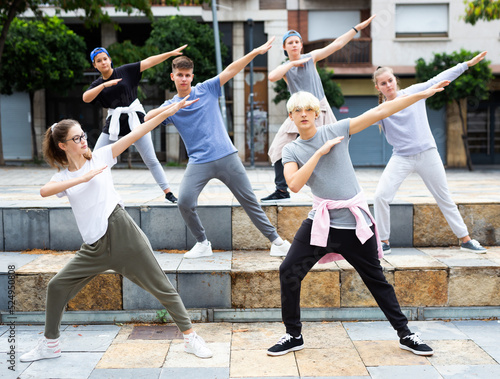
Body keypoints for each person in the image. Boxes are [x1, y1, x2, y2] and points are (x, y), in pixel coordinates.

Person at [20, 97, 214, 363]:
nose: (83, 140)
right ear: (63, 145)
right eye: (76, 139)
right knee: (56, 287)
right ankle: (50, 344)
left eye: (83, 135)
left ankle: (191, 338)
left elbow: (139, 131)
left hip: (123, 234)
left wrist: (172, 109)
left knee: (162, 287)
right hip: (93, 248)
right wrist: (83, 177)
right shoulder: (64, 178)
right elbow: (44, 191)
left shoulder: (101, 156)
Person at [267, 86, 451, 357]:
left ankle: (406, 334)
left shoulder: (337, 130)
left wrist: (420, 95)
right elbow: (294, 184)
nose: (303, 114)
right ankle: (293, 335)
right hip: (321, 223)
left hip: (354, 224)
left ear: (317, 114)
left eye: (308, 109)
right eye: (297, 110)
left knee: (376, 279)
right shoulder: (291, 150)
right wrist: (319, 153)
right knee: (289, 271)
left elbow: (380, 111)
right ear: (291, 117)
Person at [145, 37, 291, 259]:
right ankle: (203, 243)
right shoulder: (170, 107)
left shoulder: (207, 89)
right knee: (184, 202)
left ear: (192, 76)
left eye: (187, 75)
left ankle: (277, 242)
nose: (184, 79)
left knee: (249, 200)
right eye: (180, 75)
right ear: (172, 77)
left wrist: (254, 52)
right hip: (198, 162)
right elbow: (147, 118)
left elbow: (232, 69)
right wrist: (174, 107)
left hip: (226, 156)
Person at [372, 51, 488, 254]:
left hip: (428, 154)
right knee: (381, 196)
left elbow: (439, 79)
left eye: (390, 80)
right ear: (378, 87)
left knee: (444, 197)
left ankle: (466, 239)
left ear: (395, 80)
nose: (388, 85)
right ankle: (383, 241)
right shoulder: (381, 110)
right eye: (383, 83)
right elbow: (356, 124)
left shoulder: (414, 92)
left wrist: (466, 64)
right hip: (401, 157)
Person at [261, 15, 376, 202]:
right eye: (290, 42)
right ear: (284, 47)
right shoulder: (286, 68)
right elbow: (272, 77)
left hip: (319, 110)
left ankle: (346, 189)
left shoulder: (310, 58)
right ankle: (282, 191)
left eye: (297, 41)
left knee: (335, 151)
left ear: (301, 44)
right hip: (298, 113)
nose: (294, 45)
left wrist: (357, 28)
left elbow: (337, 45)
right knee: (278, 147)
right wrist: (291, 63)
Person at [82, 46, 185, 203]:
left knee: (150, 159)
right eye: (98, 61)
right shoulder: (98, 84)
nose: (103, 62)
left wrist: (170, 54)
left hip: (135, 118)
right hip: (115, 122)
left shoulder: (125, 71)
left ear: (109, 59)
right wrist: (104, 85)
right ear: (94, 65)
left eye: (105, 59)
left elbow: (149, 61)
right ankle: (92, 193)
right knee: (96, 159)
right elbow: (86, 98)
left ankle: (168, 193)